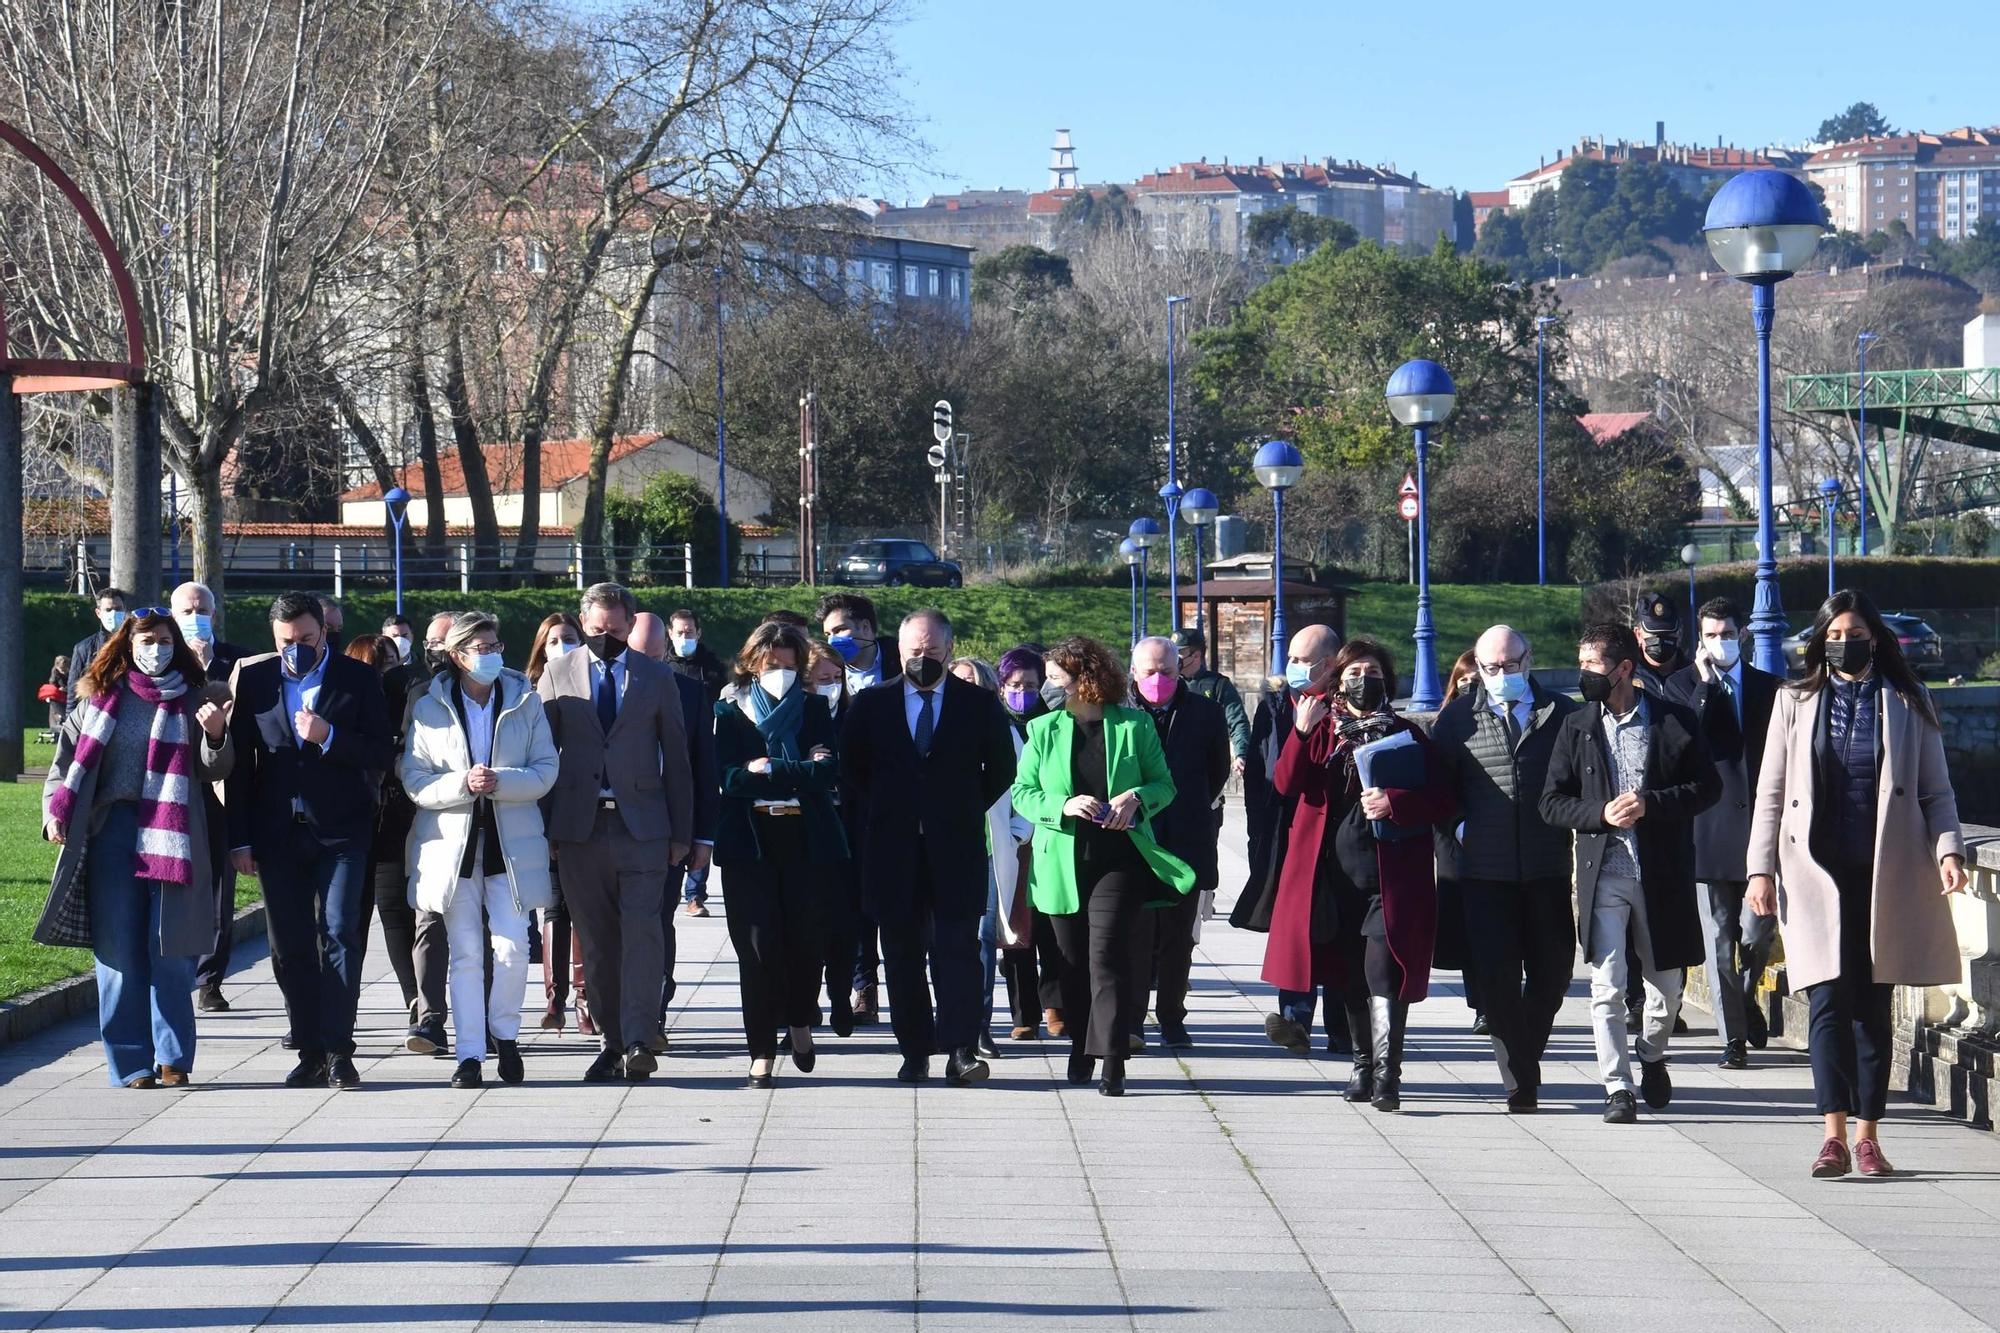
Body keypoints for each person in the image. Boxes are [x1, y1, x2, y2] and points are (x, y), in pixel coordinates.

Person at [1747, 590, 1967, 1178]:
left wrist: (1949, 850)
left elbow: (1936, 792)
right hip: (1814, 873)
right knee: (1825, 1002)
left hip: (1885, 872)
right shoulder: (1794, 699)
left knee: (1873, 1005)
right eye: (1835, 634)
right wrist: (1759, 869)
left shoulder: (1909, 699)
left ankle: (1869, 1137)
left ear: (1875, 638)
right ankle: (1832, 1136)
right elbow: (1770, 793)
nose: (1845, 643)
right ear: (1822, 641)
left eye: (1855, 632)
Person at [38, 611, 233, 1087]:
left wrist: (214, 733)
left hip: (174, 833)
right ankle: (131, 1063)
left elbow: (217, 768)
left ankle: (172, 1058)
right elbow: (65, 764)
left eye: (166, 641)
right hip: (112, 831)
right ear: (127, 645)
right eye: (148, 639)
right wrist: (52, 812)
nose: (157, 648)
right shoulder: (99, 698)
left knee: (170, 951)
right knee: (118, 954)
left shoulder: (196, 697)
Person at [1540, 624, 1719, 1124]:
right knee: (1608, 984)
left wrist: (1651, 805)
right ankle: (1616, 1086)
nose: (1583, 676)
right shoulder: (1576, 726)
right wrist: (1599, 814)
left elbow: (1708, 788)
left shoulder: (1674, 721)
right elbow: (1551, 803)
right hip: (1605, 876)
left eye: (1592, 666)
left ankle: (1653, 1051)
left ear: (1624, 668)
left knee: (1666, 990)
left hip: (1661, 875)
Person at [1264, 634, 1450, 1112]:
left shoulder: (1407, 734)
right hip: (1331, 879)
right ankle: (1362, 1064)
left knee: (1382, 975)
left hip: (1390, 880)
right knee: (1347, 976)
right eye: (1353, 674)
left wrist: (1397, 802)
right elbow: (1285, 783)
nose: (1363, 682)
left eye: (1372, 675)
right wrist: (1301, 733)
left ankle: (1389, 1074)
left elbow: (1444, 799)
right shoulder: (1322, 730)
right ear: (1336, 681)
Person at [1011, 636, 1194, 1096]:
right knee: (1071, 963)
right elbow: (1022, 793)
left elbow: (1163, 785)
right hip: (1062, 863)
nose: (1048, 687)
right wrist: (1063, 804)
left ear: (1084, 680)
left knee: (1107, 958)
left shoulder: (1134, 726)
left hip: (1121, 860)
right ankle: (1080, 1045)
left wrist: (1136, 798)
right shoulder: (1043, 730)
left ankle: (1113, 1057)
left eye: (1056, 678)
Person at [840, 608, 1016, 1085]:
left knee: (956, 952)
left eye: (932, 651)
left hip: (955, 849)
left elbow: (1001, 770)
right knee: (901, 955)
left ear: (949, 649)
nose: (923, 658)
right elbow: (853, 770)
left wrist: (958, 808)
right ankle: (914, 1049)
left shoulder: (978, 704)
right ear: (899, 651)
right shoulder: (872, 705)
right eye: (915, 651)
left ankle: (961, 1049)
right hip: (892, 851)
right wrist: (890, 807)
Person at [225, 591, 393, 1090]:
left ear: (324, 632)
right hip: (276, 832)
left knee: (340, 933)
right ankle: (309, 1046)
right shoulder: (255, 679)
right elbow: (239, 768)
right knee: (289, 945)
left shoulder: (357, 678)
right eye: (285, 641)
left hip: (341, 830)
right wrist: (239, 839)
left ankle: (340, 1047)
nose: (295, 648)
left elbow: (380, 750)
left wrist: (329, 736)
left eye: (305, 639)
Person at [537, 582, 695, 1083]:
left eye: (617, 628)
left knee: (644, 933)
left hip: (644, 827)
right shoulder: (556, 674)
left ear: (631, 625)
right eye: (598, 628)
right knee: (598, 941)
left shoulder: (655, 677)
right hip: (580, 829)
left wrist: (683, 834)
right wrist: (545, 833)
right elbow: (543, 757)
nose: (607, 635)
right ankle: (609, 1040)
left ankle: (639, 1038)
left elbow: (679, 759)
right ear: (585, 625)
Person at [400, 612, 559, 1088]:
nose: (492, 655)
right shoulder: (429, 704)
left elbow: (546, 767)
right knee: (466, 954)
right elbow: (415, 779)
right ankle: (469, 1055)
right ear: (458, 655)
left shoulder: (525, 699)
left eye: (495, 645)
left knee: (512, 949)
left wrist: (501, 782)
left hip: (512, 845)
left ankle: (505, 1036)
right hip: (452, 846)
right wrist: (463, 785)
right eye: (481, 648)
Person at [1430, 627, 1579, 1113]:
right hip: (1485, 874)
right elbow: (1438, 790)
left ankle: (1525, 1056)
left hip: (1547, 867)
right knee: (1496, 982)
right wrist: (1460, 827)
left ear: (1528, 659)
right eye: (1491, 668)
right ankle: (1520, 1081)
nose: (1501, 675)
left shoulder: (1562, 713)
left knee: (1554, 973)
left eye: (1510, 665)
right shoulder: (1456, 720)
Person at [714, 621, 847, 1086]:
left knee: (807, 942)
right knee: (756, 949)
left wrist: (771, 768)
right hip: (750, 843)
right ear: (753, 663)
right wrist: (796, 770)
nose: (782, 673)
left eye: (790, 665)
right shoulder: (730, 710)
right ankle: (761, 1052)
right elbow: (730, 779)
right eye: (773, 664)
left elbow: (827, 773)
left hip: (807, 840)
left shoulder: (813, 707)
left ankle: (800, 1020)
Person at [1667, 598, 1781, 1070]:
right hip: (1709, 831)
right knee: (1719, 937)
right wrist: (1706, 688)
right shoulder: (1682, 686)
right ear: (1700, 640)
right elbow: (1679, 743)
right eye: (1712, 635)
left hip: (1761, 830)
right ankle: (1732, 1037)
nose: (1721, 642)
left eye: (1728, 634)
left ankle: (1745, 997)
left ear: (1743, 636)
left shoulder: (1771, 687)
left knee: (1757, 933)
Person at [1127, 636, 1230, 1051]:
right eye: (1149, 672)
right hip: (1135, 838)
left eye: (1166, 672)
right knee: (1134, 936)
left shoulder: (1206, 712)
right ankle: (1132, 1019)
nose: (1157, 679)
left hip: (1186, 837)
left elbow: (1217, 771)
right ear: (1133, 672)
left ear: (1180, 670)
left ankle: (1171, 1016)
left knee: (1178, 937)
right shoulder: (1119, 714)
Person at [628, 610, 720, 1047]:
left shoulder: (689, 690)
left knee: (657, 921)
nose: (647, 661)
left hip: (666, 834)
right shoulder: (599, 688)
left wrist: (702, 837)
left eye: (655, 653)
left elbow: (704, 766)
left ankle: (655, 1010)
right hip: (608, 830)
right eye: (638, 653)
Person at [171, 580, 254, 1014]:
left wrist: (210, 673)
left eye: (201, 609)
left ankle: (210, 978)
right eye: (186, 610)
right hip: (173, 788)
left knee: (221, 887)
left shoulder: (237, 658)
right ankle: (174, 964)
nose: (194, 617)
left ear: (214, 614)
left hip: (221, 786)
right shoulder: (165, 658)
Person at [950, 655, 1032, 1061]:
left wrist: (1019, 832)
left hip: (987, 850)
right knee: (947, 939)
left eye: (971, 681)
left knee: (983, 937)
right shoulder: (933, 728)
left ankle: (979, 1023)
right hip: (944, 848)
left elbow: (1026, 788)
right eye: (956, 680)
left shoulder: (1004, 731)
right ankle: (950, 1018)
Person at [820, 591, 894, 1022]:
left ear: (866, 629)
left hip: (899, 806)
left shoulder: (902, 667)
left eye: (842, 630)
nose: (835, 639)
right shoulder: (828, 675)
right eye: (829, 633)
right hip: (846, 808)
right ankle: (863, 986)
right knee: (855, 901)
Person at [526, 612, 588, 1032]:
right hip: (542, 812)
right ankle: (554, 1000)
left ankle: (585, 998)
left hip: (584, 811)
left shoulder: (591, 686)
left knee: (581, 907)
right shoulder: (525, 694)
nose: (561, 647)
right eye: (553, 641)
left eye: (569, 638)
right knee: (553, 907)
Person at [997, 645, 1059, 1041]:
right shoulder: (992, 723)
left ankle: (1056, 1004)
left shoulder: (1053, 724)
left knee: (1053, 926)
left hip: (1049, 835)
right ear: (1002, 687)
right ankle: (1024, 1012)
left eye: (1031, 685)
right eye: (1015, 685)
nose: (1023, 691)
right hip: (1010, 837)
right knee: (1015, 929)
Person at [806, 640, 863, 1035]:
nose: (830, 685)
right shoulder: (795, 716)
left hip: (848, 831)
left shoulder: (853, 714)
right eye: (821, 678)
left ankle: (842, 995)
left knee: (846, 924)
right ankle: (805, 1001)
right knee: (808, 924)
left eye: (836, 678)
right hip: (805, 833)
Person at [1433, 649, 1486, 1036]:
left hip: (1498, 835)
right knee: (1469, 925)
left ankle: (1498, 996)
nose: (1470, 688)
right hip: (1456, 838)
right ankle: (1481, 1004)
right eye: (1463, 681)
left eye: (1476, 681)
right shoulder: (1445, 725)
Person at [1172, 627, 1250, 784]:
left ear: (1196, 656)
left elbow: (1237, 721)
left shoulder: (1219, 685)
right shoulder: (1169, 682)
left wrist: (1240, 754)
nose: (1174, 658)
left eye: (1179, 653)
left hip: (1205, 770)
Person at [67, 586, 129, 705]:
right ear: (98, 613)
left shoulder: (135, 644)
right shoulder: (84, 648)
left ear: (124, 609)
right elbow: (73, 692)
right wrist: (71, 720)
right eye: (108, 610)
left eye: (118, 609)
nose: (114, 613)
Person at [1630, 590, 1690, 694]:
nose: (1660, 640)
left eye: (1667, 634)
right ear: (1638, 635)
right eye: (1654, 635)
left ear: (1679, 633)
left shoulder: (1695, 675)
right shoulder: (1626, 676)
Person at [664, 608, 727, 697]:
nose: (684, 638)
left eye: (689, 632)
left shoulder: (714, 667)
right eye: (680, 633)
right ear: (671, 634)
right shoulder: (663, 665)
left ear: (698, 634)